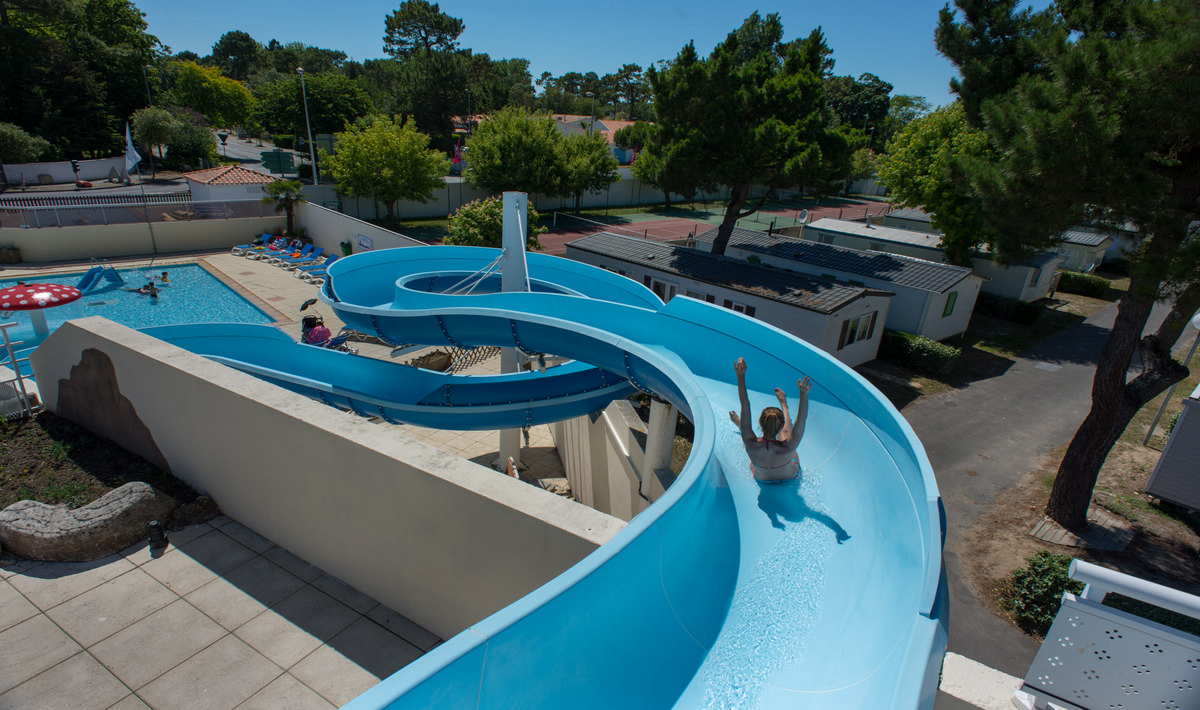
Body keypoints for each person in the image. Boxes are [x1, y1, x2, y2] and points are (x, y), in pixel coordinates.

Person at [729, 357, 812, 483]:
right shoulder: (788, 447)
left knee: (746, 437)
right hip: (790, 477)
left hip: (762, 479)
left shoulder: (750, 443)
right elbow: (801, 420)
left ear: (760, 423)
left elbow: (745, 405)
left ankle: (739, 423)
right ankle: (784, 405)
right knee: (785, 434)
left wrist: (740, 376)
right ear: (782, 424)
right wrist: (803, 394)